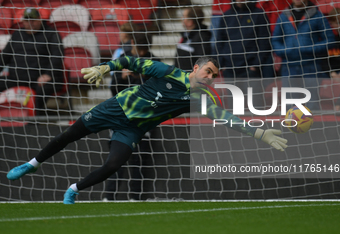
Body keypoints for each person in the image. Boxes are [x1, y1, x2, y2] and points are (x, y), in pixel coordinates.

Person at [6, 56, 288, 204]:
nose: (211, 78)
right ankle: (32, 163)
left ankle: (73, 189)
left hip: (133, 129)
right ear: (196, 68)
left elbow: (225, 118)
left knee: (114, 164)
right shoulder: (166, 71)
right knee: (68, 136)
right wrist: (105, 67)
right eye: (208, 71)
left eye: (215, 75)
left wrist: (260, 133)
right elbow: (130, 61)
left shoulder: (204, 98)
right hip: (114, 108)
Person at [108, 32, 160, 200]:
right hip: (122, 116)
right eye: (139, 49)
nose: (142, 53)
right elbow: (113, 89)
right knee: (116, 159)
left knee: (139, 161)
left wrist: (141, 76)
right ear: (132, 43)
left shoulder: (155, 62)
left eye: (145, 50)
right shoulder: (123, 59)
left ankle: (136, 197)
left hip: (143, 117)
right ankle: (109, 197)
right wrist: (123, 77)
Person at [272, 0, 335, 111]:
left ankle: (316, 127)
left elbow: (329, 40)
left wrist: (310, 49)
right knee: (290, 105)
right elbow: (275, 40)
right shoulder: (283, 16)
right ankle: (290, 128)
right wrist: (285, 50)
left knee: (312, 103)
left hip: (311, 66)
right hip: (289, 66)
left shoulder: (317, 15)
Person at [0, 7, 64, 116]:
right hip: (17, 78)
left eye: (33, 20)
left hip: (41, 79)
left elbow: (57, 56)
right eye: (27, 21)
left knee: (42, 89)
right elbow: (5, 56)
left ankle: (34, 120)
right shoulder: (17, 34)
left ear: (39, 19)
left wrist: (48, 74)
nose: (30, 23)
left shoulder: (51, 34)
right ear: (23, 21)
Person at [216, 0, 274, 109]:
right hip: (230, 69)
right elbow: (220, 41)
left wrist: (255, 65)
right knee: (234, 108)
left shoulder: (259, 14)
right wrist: (222, 64)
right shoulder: (227, 16)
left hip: (251, 70)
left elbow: (264, 42)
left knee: (255, 106)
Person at [174, 6, 211, 72]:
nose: (181, 18)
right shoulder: (186, 35)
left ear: (190, 21)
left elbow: (201, 62)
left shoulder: (201, 37)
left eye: (184, 16)